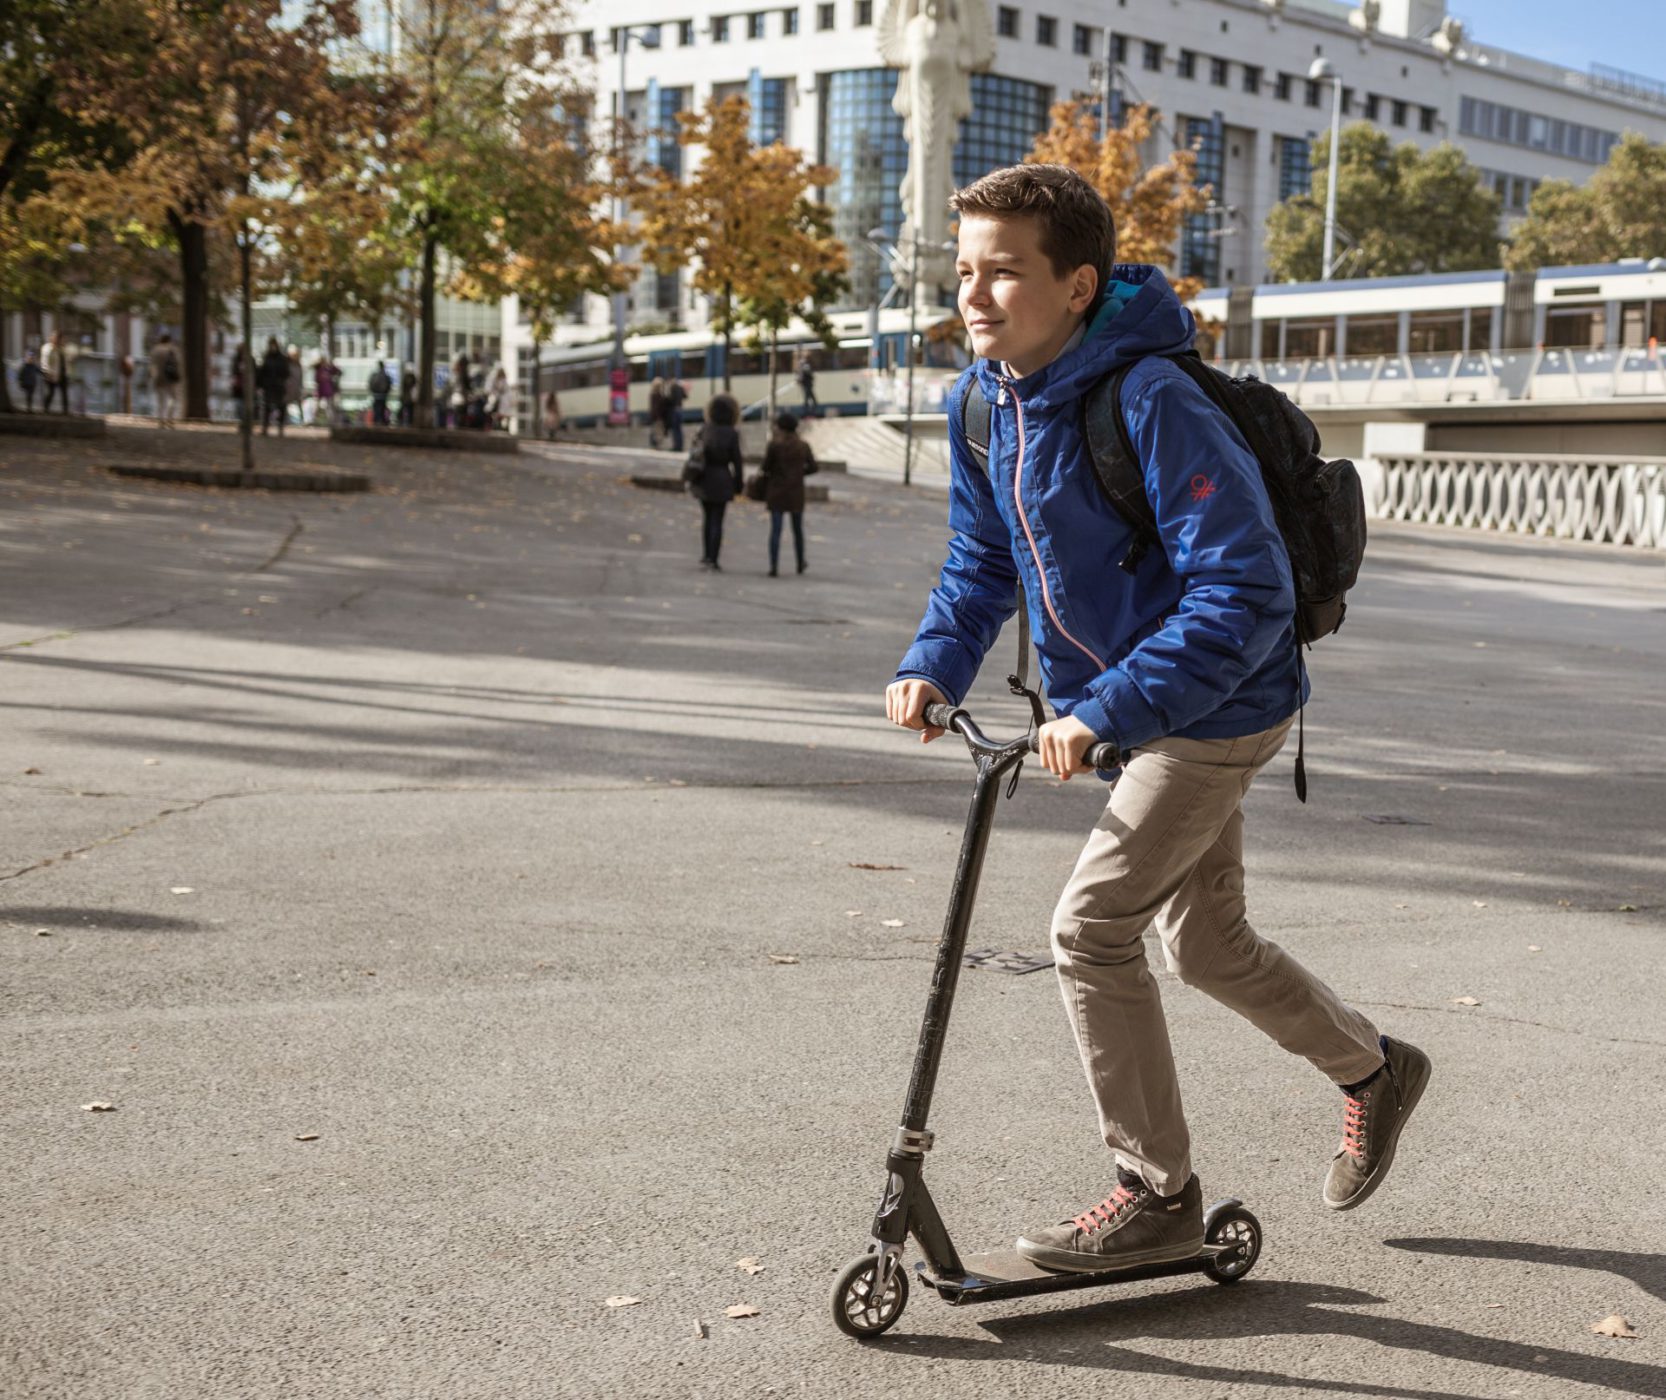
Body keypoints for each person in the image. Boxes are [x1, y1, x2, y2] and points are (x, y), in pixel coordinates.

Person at [885, 164, 1430, 1275]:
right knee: (1206, 941)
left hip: (1220, 702)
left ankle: (1155, 1193)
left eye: (1004, 272)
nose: (974, 295)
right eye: (964, 270)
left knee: (1090, 929)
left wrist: (1102, 708)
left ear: (1078, 284)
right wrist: (933, 663)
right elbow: (982, 558)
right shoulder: (985, 401)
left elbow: (1245, 593)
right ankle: (1374, 1068)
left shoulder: (1152, 400)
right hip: (1138, 710)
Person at [689, 392, 744, 571]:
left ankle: (706, 555)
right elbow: (737, 461)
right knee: (717, 521)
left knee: (707, 518)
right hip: (722, 479)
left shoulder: (704, 429)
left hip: (703, 478)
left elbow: (694, 453)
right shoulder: (732, 433)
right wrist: (738, 484)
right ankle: (714, 558)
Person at [760, 410, 818, 577]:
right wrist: (799, 473)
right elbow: (813, 467)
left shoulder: (774, 445)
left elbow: (765, 467)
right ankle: (800, 562)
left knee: (776, 530)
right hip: (795, 492)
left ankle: (774, 565)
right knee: (797, 530)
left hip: (777, 491)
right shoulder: (803, 446)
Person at [257, 337, 289, 436]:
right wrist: (261, 384)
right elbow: (262, 372)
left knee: (281, 407)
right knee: (267, 407)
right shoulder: (267, 357)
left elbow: (286, 372)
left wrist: (281, 380)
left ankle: (280, 428)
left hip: (278, 386)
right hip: (269, 386)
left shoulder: (282, 358)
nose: (272, 347)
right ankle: (265, 428)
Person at [149, 332, 181, 428]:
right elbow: (178, 364)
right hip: (171, 378)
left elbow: (152, 365)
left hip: (158, 378)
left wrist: (153, 376)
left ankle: (161, 420)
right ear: (169, 340)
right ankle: (170, 418)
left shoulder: (155, 350)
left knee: (160, 401)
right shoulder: (173, 350)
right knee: (173, 398)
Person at [41, 332, 70, 414]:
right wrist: (47, 372)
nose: (62, 341)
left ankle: (65, 411)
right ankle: (45, 409)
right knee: (50, 392)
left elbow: (67, 361)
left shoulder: (62, 349)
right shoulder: (48, 348)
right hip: (52, 374)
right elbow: (45, 362)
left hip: (62, 374)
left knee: (64, 393)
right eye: (60, 339)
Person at [663, 376, 686, 453]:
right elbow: (685, 396)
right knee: (679, 429)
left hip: (674, 410)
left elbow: (671, 400)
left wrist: (666, 398)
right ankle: (680, 445)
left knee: (675, 429)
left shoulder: (672, 388)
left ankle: (676, 446)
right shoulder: (680, 387)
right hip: (680, 409)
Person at [314, 354, 338, 426]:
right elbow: (316, 380)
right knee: (317, 406)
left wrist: (332, 365)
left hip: (328, 390)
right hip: (320, 390)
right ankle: (315, 419)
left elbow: (338, 371)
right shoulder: (318, 369)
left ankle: (330, 420)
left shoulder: (328, 369)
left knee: (328, 406)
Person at [368, 359, 392, 426]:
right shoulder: (386, 376)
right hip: (383, 395)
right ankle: (381, 422)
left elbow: (370, 384)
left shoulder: (374, 375)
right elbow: (389, 385)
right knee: (381, 409)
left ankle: (376, 421)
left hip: (376, 395)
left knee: (377, 409)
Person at [285, 345, 305, 425]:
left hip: (297, 387)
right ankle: (286, 420)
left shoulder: (299, 365)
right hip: (289, 387)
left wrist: (301, 387)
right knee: (286, 403)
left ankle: (302, 420)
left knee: (299, 403)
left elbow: (301, 377)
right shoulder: (288, 365)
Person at [795, 350, 817, 415]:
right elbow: (806, 372)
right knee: (809, 399)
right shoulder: (804, 364)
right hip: (807, 384)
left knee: (809, 399)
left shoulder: (803, 363)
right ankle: (807, 413)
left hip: (807, 384)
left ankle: (808, 413)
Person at [648, 376, 666, 448]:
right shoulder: (658, 395)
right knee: (658, 431)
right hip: (657, 417)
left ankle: (654, 444)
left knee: (654, 430)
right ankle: (656, 445)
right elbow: (657, 407)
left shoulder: (652, 394)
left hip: (654, 416)